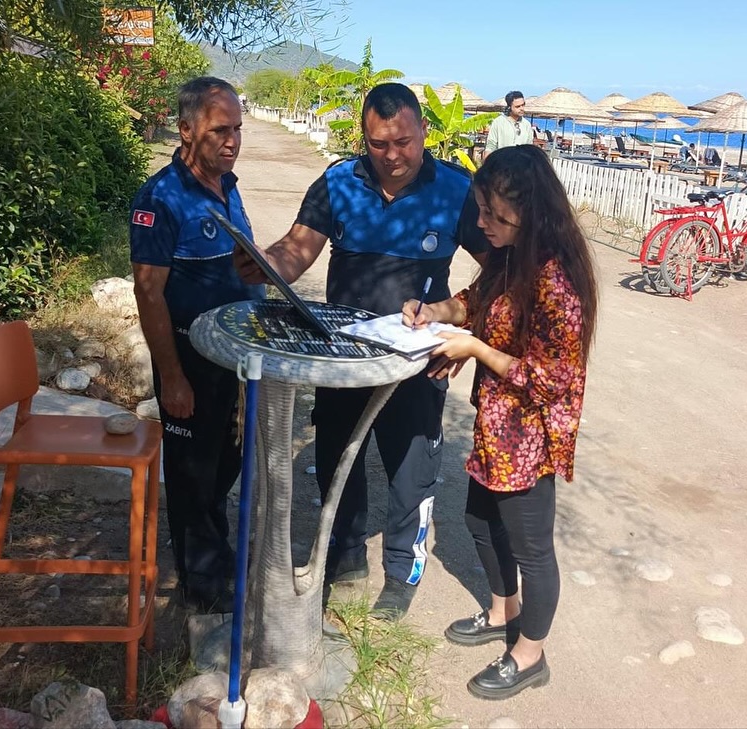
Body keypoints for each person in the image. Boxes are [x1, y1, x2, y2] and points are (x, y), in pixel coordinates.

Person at [234, 82, 488, 619]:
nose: (392, 157)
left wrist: (469, 336)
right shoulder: (337, 182)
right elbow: (296, 251)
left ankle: (402, 573)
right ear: (363, 138)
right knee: (337, 455)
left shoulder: (456, 190)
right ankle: (345, 557)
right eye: (378, 144)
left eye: (403, 142)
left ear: (424, 132)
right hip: (343, 357)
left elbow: (500, 272)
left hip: (418, 360)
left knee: (411, 469)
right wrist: (261, 265)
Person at [401, 145, 599, 700]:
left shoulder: (558, 284)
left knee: (533, 550)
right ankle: (501, 610)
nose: (481, 223)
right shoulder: (513, 258)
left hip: (530, 438)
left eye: (492, 214)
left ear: (529, 212)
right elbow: (474, 300)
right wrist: (434, 312)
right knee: (481, 524)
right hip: (496, 425)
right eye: (481, 210)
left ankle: (529, 652)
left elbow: (550, 381)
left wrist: (476, 350)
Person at [130, 76, 265, 613]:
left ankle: (212, 558)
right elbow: (148, 292)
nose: (231, 141)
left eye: (237, 129)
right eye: (218, 131)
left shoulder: (227, 186)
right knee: (192, 474)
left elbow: (242, 269)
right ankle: (205, 590)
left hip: (234, 363)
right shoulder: (160, 200)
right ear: (186, 131)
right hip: (190, 361)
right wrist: (173, 377)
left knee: (224, 467)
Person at [483, 91, 534, 159]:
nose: (522, 108)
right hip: (501, 164)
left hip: (521, 166)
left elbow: (529, 148)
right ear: (509, 107)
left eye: (523, 105)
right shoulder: (498, 122)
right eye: (517, 106)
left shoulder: (526, 124)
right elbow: (491, 145)